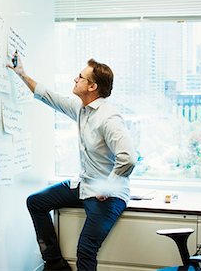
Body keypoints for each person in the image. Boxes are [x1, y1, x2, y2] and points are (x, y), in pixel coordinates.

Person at [7, 55, 137, 271]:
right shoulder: (80, 108)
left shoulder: (109, 118)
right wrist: (22, 74)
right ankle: (55, 263)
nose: (75, 79)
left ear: (92, 86)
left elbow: (129, 158)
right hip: (84, 185)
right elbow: (49, 96)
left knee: (85, 250)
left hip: (108, 195)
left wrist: (107, 186)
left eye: (80, 77)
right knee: (36, 202)